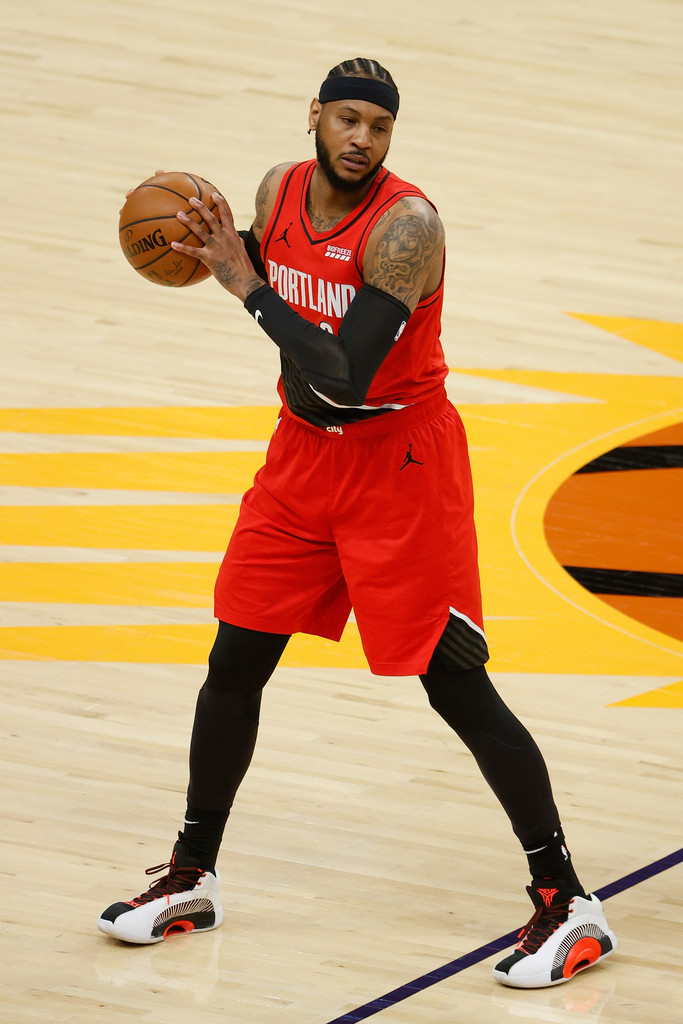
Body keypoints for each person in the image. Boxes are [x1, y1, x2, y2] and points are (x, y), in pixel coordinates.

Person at [98, 57, 617, 988]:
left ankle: (566, 901)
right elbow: (262, 267)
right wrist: (199, 247)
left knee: (452, 684)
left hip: (400, 467)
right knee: (234, 661)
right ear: (314, 117)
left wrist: (242, 285)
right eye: (346, 120)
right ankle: (191, 874)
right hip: (300, 461)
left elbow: (343, 370)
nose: (361, 140)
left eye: (377, 126)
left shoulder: (406, 229)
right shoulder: (279, 189)